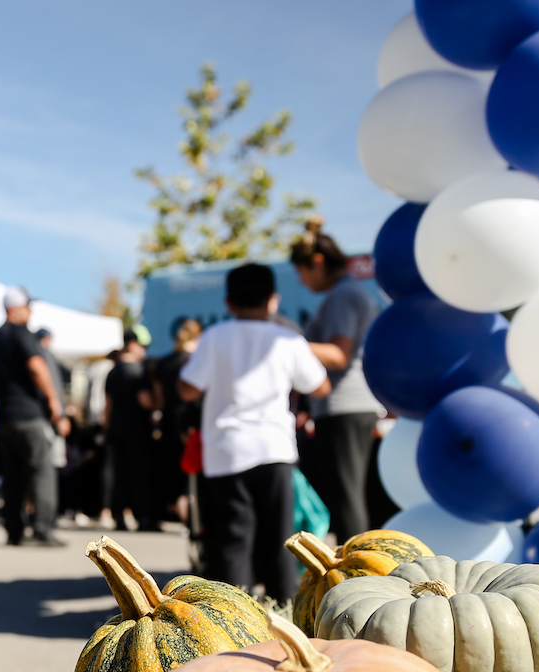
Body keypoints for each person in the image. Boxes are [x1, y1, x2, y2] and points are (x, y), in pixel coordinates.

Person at [179, 263, 330, 599]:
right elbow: (320, 385)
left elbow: (187, 388)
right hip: (274, 448)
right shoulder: (287, 338)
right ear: (273, 301)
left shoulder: (215, 336)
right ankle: (284, 615)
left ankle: (233, 619)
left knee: (232, 540)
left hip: (227, 450)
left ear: (228, 302)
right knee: (280, 536)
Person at [291, 218, 384, 543]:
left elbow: (338, 354)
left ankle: (359, 578)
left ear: (317, 263)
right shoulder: (350, 293)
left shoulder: (343, 296)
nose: (302, 282)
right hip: (349, 406)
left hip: (344, 406)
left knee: (347, 497)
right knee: (349, 494)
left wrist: (288, 341)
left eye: (301, 272)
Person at [0, 287, 69, 547]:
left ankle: (14, 531)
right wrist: (53, 401)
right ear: (15, 308)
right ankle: (43, 530)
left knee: (12, 475)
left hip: (4, 417)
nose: (30, 311)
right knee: (42, 470)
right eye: (28, 306)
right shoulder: (21, 334)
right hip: (28, 415)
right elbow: (37, 366)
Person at [104, 330, 159, 531]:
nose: (145, 351)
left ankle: (119, 516)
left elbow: (107, 405)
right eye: (143, 346)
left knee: (120, 473)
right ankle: (143, 517)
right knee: (140, 473)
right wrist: (157, 402)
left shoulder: (113, 371)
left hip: (117, 428)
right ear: (133, 344)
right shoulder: (139, 371)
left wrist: (107, 427)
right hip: (138, 429)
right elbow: (145, 400)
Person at [153, 318, 204, 523]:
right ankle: (188, 512)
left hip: (167, 418)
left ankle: (172, 507)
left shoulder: (163, 363)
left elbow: (159, 398)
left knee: (171, 467)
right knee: (190, 468)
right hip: (188, 420)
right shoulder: (194, 360)